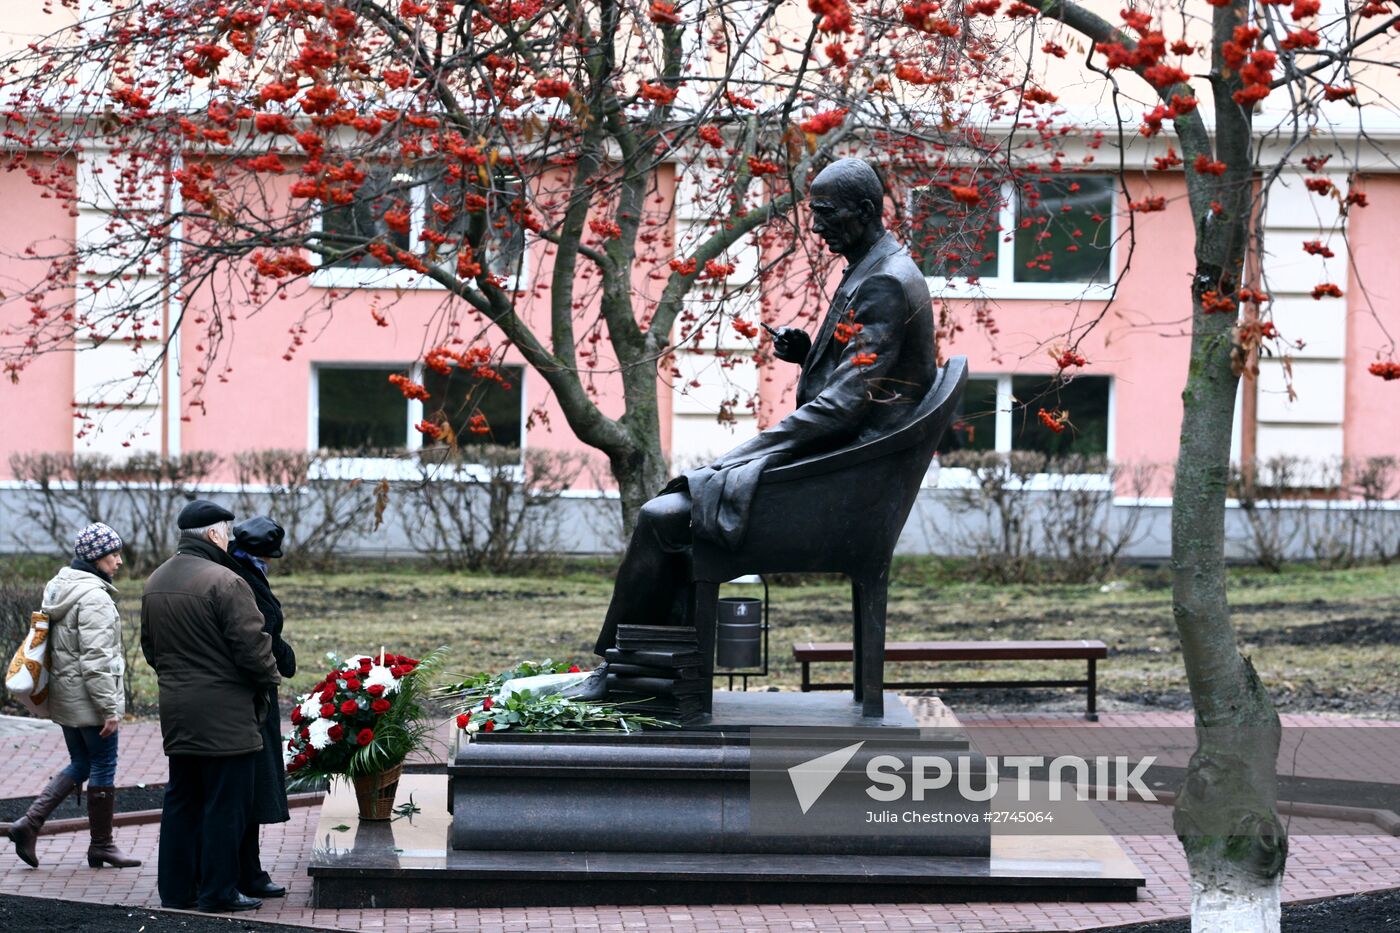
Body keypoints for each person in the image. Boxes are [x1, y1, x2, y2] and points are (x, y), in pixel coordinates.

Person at [593, 157, 936, 658]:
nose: (816, 226)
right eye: (813, 212)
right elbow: (859, 378)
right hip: (839, 471)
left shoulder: (884, 281)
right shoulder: (878, 267)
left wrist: (738, 458)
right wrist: (810, 355)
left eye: (825, 213)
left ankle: (626, 670)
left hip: (843, 489)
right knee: (671, 513)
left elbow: (843, 407)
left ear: (864, 210)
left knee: (660, 517)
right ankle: (654, 673)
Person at [141, 499, 279, 913]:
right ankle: (218, 891)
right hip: (227, 715)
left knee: (182, 800)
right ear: (217, 534)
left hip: (178, 711)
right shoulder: (226, 581)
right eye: (227, 531)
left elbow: (151, 649)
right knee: (226, 804)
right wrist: (268, 680)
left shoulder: (155, 580)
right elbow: (253, 651)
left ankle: (176, 891)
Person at [9, 522, 141, 870]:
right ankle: (102, 845)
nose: (119, 562)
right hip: (90, 698)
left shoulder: (59, 586)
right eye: (114, 554)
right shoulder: (94, 597)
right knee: (102, 764)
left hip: (66, 697)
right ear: (97, 558)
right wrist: (108, 708)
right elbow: (96, 661)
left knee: (82, 762)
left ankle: (29, 824)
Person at [227, 516, 295, 900]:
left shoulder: (241, 569)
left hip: (251, 694)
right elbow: (261, 630)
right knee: (249, 788)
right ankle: (245, 872)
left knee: (250, 788)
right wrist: (285, 658)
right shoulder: (242, 576)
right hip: (250, 696)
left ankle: (249, 870)